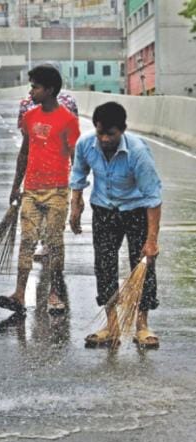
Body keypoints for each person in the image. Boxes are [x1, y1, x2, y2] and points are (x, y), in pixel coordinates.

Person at [70, 102, 162, 349]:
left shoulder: (138, 153)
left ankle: (142, 326)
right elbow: (78, 174)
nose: (104, 138)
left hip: (136, 210)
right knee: (105, 265)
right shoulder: (86, 144)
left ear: (122, 130)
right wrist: (75, 206)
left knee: (142, 265)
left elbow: (153, 198)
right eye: (100, 132)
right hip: (104, 210)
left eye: (110, 134)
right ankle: (112, 326)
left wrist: (151, 240)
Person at [0, 65, 79, 317]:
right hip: (31, 190)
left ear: (50, 89)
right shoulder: (29, 118)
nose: (31, 91)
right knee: (27, 241)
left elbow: (77, 160)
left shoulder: (68, 120)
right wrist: (15, 186)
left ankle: (55, 292)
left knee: (54, 243)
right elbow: (24, 153)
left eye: (35, 87)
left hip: (57, 190)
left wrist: (77, 196)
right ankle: (19, 294)